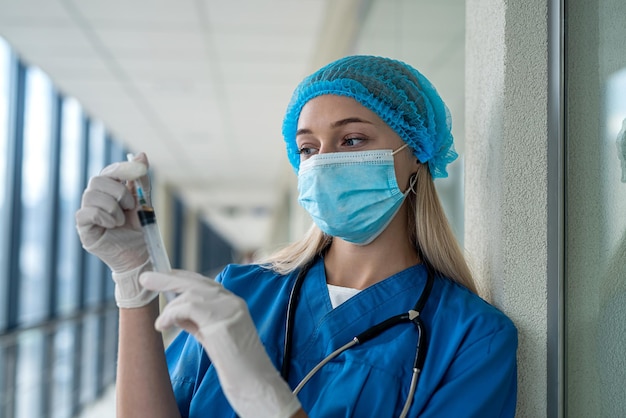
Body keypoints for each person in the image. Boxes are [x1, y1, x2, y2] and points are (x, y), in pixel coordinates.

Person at [76, 55, 518, 418]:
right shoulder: (240, 294)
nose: (323, 162)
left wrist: (266, 397)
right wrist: (134, 282)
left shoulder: (473, 337)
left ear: (416, 154)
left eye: (352, 140)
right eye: (308, 148)